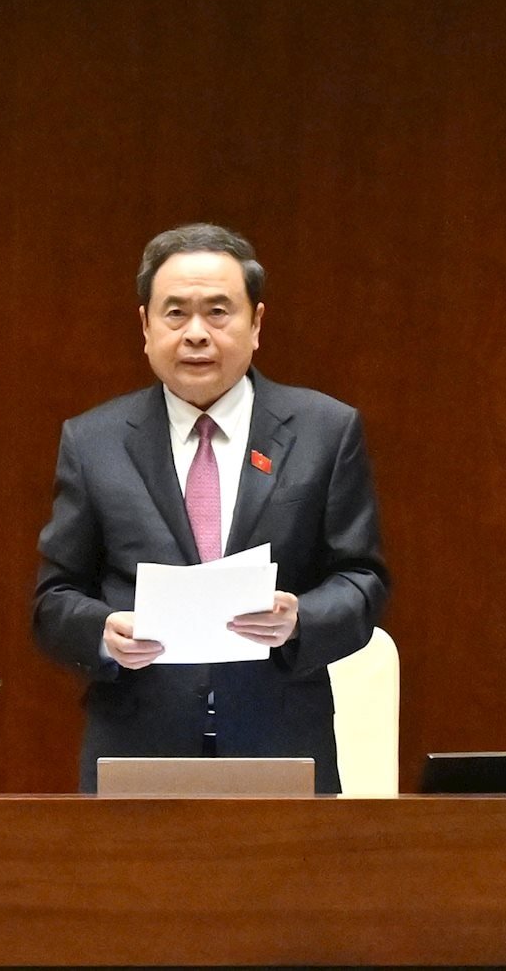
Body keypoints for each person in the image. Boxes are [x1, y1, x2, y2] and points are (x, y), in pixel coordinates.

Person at [32, 223, 389, 793]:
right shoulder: (93, 441)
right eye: (175, 314)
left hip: (282, 744)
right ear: (145, 326)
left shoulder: (326, 431)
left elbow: (362, 582)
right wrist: (102, 631)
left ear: (256, 324)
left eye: (218, 312)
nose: (196, 334)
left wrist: (300, 618)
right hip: (136, 749)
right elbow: (53, 600)